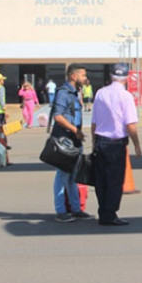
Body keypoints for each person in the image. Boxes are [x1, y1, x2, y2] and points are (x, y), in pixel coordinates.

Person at [91, 63, 142, 226]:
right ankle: (109, 214)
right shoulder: (126, 96)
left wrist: (93, 141)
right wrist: (137, 145)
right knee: (114, 180)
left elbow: (94, 121)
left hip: (100, 141)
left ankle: (103, 211)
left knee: (101, 180)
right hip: (116, 143)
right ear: (126, 78)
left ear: (111, 76)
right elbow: (130, 125)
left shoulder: (100, 93)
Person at [50, 64, 92, 223]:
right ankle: (61, 211)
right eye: (83, 75)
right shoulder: (64, 93)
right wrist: (75, 130)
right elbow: (58, 116)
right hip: (65, 139)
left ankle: (76, 209)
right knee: (62, 175)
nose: (85, 78)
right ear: (73, 76)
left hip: (74, 140)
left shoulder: (75, 93)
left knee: (74, 176)